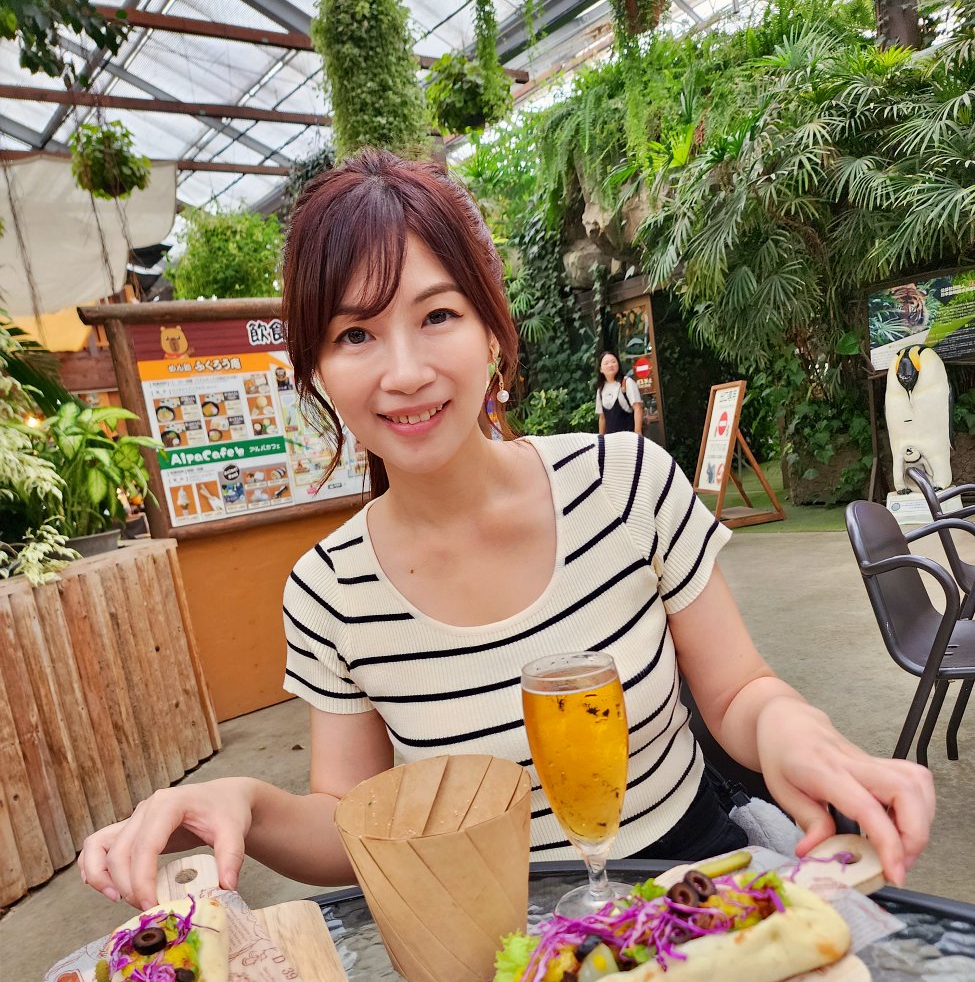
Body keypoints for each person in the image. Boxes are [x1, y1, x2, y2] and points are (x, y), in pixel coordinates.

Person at [78, 149, 934, 913]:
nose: (405, 372)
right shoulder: (328, 590)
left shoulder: (624, 482)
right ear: (316, 371)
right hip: (491, 939)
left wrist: (795, 733)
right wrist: (247, 806)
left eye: (438, 315)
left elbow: (739, 692)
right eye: (354, 334)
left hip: (694, 885)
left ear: (492, 326)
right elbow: (352, 822)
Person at [596, 351, 643, 435]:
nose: (610, 365)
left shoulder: (627, 382)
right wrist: (601, 439)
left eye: (613, 361)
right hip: (611, 442)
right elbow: (602, 417)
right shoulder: (600, 389)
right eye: (606, 363)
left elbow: (637, 408)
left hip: (629, 439)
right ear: (601, 369)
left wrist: (638, 434)